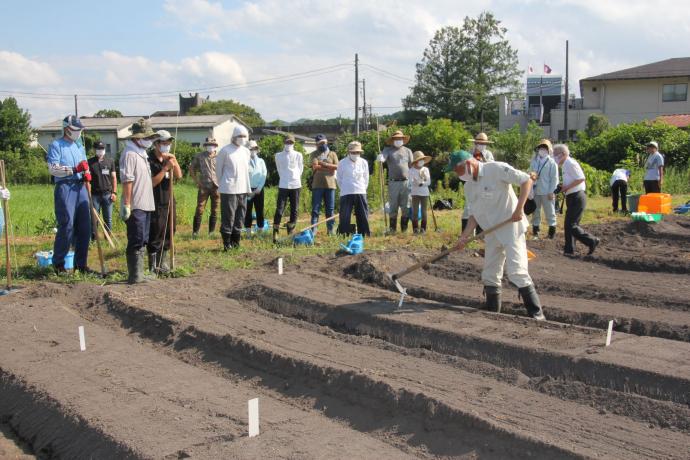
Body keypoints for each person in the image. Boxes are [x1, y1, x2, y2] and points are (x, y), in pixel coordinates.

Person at [447, 150, 545, 321]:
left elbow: (526, 180)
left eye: (457, 170)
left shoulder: (496, 169)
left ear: (468, 164)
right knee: (490, 273)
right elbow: (474, 215)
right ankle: (493, 310)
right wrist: (463, 237)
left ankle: (537, 314)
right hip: (490, 231)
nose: (457, 174)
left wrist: (519, 209)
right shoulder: (468, 186)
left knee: (517, 272)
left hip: (510, 227)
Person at [46, 115, 92, 273]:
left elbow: (84, 165)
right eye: (76, 130)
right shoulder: (56, 145)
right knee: (67, 225)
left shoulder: (79, 146)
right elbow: (52, 168)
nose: (79, 133)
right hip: (65, 186)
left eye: (80, 130)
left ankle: (81, 264)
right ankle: (59, 264)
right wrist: (73, 170)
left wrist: (87, 172)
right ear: (67, 129)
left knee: (85, 227)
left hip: (81, 187)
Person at [119, 118, 159, 283]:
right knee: (136, 238)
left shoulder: (141, 153)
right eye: (147, 137)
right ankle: (135, 275)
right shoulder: (129, 154)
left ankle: (140, 273)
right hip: (136, 205)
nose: (149, 140)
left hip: (146, 203)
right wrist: (127, 204)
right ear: (136, 137)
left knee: (143, 238)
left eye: (150, 138)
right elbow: (127, 180)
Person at [552, 144, 600, 257]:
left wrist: (566, 187)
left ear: (562, 154)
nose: (554, 157)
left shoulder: (570, 163)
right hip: (572, 196)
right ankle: (569, 250)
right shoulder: (565, 164)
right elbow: (573, 179)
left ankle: (591, 240)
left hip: (577, 196)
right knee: (570, 225)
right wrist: (563, 186)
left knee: (570, 225)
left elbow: (581, 178)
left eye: (555, 155)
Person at [147, 130, 182, 273]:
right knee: (156, 231)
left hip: (169, 199)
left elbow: (179, 176)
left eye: (169, 143)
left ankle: (164, 262)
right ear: (156, 144)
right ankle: (153, 266)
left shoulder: (169, 159)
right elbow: (152, 182)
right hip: (155, 200)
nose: (166, 145)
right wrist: (165, 169)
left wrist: (174, 161)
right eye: (163, 143)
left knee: (170, 230)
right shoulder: (149, 160)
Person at [216, 125, 251, 250]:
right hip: (229, 188)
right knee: (228, 216)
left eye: (244, 136)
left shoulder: (246, 151)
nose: (242, 138)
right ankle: (227, 243)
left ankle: (236, 242)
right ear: (234, 137)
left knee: (240, 216)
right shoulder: (225, 151)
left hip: (243, 188)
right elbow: (218, 171)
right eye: (240, 136)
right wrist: (224, 184)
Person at [377, 130, 414, 233]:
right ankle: (392, 229)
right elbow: (383, 158)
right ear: (393, 140)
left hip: (406, 182)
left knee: (406, 206)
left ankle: (404, 230)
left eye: (400, 139)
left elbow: (412, 166)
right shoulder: (387, 150)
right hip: (393, 182)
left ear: (403, 139)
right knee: (393, 206)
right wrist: (381, 158)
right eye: (396, 139)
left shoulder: (408, 151)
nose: (398, 140)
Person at [462, 132, 495, 233]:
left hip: (484, 184)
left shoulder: (488, 154)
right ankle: (466, 233)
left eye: (484, 143)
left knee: (484, 207)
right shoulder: (469, 153)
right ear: (475, 143)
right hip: (471, 183)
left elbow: (491, 166)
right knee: (469, 207)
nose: (482, 145)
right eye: (480, 143)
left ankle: (481, 233)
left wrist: (483, 158)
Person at [336, 141, 370, 236]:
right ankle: (344, 234)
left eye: (358, 152)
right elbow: (339, 178)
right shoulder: (342, 163)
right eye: (354, 152)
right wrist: (344, 188)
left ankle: (364, 233)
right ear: (349, 152)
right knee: (345, 216)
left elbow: (366, 177)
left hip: (361, 190)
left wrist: (363, 188)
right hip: (346, 192)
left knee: (363, 214)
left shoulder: (364, 162)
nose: (356, 154)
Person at [273, 134, 303, 241]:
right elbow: (279, 169)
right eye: (287, 142)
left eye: (291, 142)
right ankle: (275, 231)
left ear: (294, 143)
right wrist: (286, 178)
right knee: (280, 209)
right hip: (283, 184)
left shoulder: (298, 155)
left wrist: (294, 178)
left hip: (296, 184)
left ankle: (290, 230)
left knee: (294, 209)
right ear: (284, 142)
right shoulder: (278, 155)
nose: (289, 144)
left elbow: (300, 169)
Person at [528, 139, 559, 239]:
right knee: (535, 211)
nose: (542, 150)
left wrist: (552, 191)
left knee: (550, 211)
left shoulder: (552, 163)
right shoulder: (534, 161)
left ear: (548, 150)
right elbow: (529, 173)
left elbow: (554, 178)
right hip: (536, 190)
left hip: (547, 191)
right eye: (541, 148)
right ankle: (536, 232)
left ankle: (551, 232)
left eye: (544, 148)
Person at [190, 137, 220, 237]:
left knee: (215, 209)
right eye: (208, 145)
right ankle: (195, 232)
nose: (210, 147)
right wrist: (196, 181)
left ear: (215, 146)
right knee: (200, 208)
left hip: (216, 187)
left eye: (212, 145)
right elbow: (192, 168)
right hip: (204, 186)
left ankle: (211, 232)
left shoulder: (219, 157)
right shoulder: (200, 156)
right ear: (205, 146)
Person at [309, 134, 338, 235]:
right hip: (317, 185)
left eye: (324, 142)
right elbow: (315, 167)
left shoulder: (333, 154)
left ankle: (331, 230)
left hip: (330, 185)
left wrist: (324, 164)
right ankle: (313, 230)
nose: (323, 144)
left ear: (326, 142)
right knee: (315, 209)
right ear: (316, 144)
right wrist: (329, 167)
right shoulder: (313, 154)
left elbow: (337, 167)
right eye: (320, 143)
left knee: (330, 209)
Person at [88, 140, 117, 236]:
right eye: (98, 149)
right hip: (94, 195)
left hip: (107, 194)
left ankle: (107, 237)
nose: (100, 151)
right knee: (94, 219)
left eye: (102, 149)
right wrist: (88, 195)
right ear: (94, 149)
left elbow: (114, 178)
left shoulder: (110, 161)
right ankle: (94, 239)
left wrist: (114, 192)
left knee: (108, 219)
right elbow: (87, 180)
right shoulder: (90, 162)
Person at [245, 140, 267, 232]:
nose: (253, 150)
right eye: (251, 149)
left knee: (259, 210)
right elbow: (244, 175)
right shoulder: (245, 161)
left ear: (257, 149)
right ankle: (248, 231)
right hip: (248, 190)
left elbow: (264, 174)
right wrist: (248, 189)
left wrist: (259, 188)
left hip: (259, 190)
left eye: (254, 148)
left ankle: (260, 229)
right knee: (247, 211)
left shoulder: (261, 161)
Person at [408, 151, 431, 234]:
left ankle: (423, 229)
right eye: (419, 160)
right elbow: (410, 182)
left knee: (424, 212)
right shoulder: (411, 170)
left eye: (422, 159)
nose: (421, 161)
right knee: (415, 211)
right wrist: (415, 182)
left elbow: (429, 182)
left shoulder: (426, 169)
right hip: (415, 193)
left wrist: (422, 183)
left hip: (424, 193)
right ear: (416, 161)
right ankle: (415, 229)